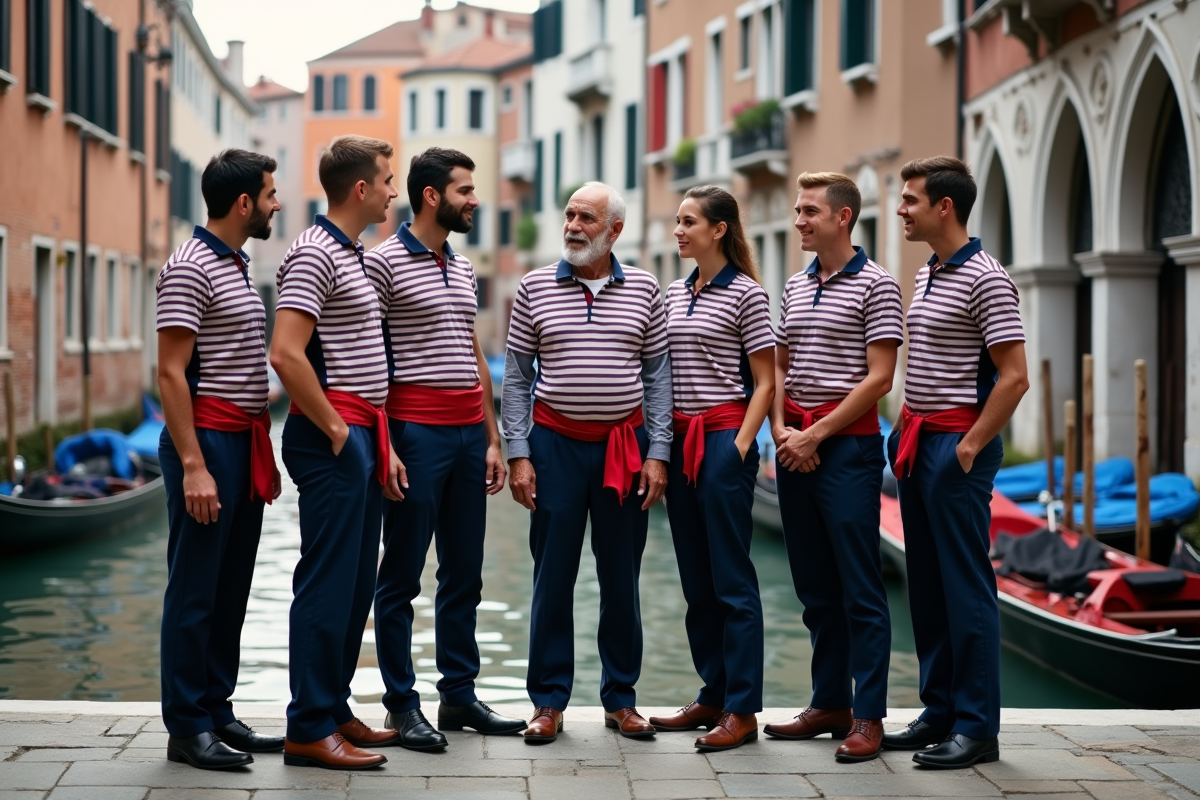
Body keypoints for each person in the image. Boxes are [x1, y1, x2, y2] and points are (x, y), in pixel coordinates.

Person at [365, 147, 524, 750]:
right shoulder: (381, 265)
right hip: (415, 434)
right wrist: (387, 446)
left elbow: (475, 353)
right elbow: (369, 362)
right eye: (464, 190)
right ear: (432, 195)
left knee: (465, 573)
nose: (475, 200)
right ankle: (402, 706)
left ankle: (457, 695)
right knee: (401, 576)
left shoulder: (461, 267)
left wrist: (491, 437)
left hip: (466, 437)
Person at [502, 182, 672, 745]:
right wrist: (519, 454)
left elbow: (657, 380)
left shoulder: (647, 289)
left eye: (587, 217)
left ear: (614, 230)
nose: (573, 225)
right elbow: (519, 380)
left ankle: (621, 700)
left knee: (621, 576)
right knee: (553, 576)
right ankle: (547, 703)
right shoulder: (532, 289)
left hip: (625, 447)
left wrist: (657, 454)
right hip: (554, 447)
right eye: (570, 213)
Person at [882, 156, 1028, 768]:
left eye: (911, 199)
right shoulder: (929, 273)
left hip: (954, 448)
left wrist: (967, 447)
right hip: (917, 442)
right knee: (929, 589)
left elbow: (1015, 377)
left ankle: (977, 728)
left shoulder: (988, 278)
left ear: (945, 206)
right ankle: (939, 711)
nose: (901, 209)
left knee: (966, 589)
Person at [270, 135, 406, 770]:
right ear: (361, 189)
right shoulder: (313, 254)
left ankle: (333, 708)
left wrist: (370, 439)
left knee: (355, 585)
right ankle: (306, 727)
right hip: (332, 438)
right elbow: (286, 354)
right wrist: (338, 433)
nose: (393, 191)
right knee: (326, 584)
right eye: (387, 180)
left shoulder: (351, 254)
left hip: (359, 435)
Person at [762, 172, 902, 763]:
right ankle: (829, 703)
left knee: (860, 589)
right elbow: (778, 367)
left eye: (809, 211)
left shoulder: (878, 286)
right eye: (797, 210)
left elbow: (880, 379)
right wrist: (779, 433)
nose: (799, 221)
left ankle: (868, 715)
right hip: (796, 444)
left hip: (847, 450)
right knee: (814, 585)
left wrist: (816, 433)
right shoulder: (795, 286)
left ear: (843, 218)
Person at [157, 149, 284, 770]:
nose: (276, 202)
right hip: (205, 443)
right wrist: (193, 464)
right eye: (269, 193)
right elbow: (170, 372)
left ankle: (216, 708)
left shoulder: (234, 263)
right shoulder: (189, 267)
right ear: (243, 204)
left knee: (231, 586)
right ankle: (187, 727)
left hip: (242, 440)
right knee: (195, 589)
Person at [646, 186, 774, 752]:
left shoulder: (747, 295)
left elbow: (767, 381)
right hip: (677, 442)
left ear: (718, 229)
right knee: (697, 581)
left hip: (723, 440)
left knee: (732, 581)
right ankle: (714, 692)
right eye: (677, 221)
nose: (678, 230)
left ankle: (742, 709)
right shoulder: (674, 294)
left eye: (688, 221)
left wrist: (741, 446)